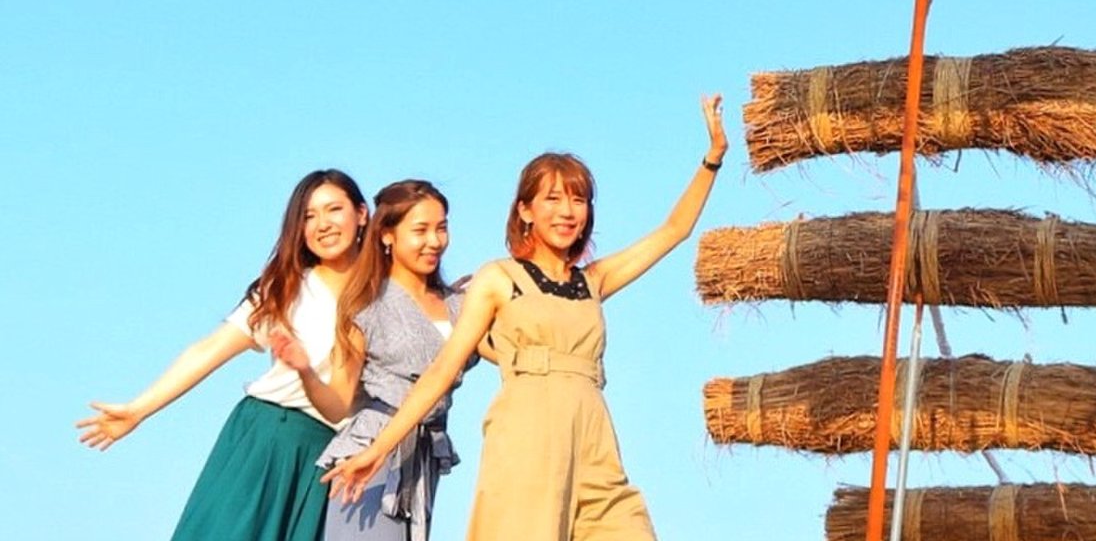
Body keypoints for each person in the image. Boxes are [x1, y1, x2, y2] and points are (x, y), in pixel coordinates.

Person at [324, 98, 727, 541]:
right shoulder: (499, 278)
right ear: (525, 210)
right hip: (528, 434)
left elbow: (673, 231)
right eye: (552, 198)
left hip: (595, 438)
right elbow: (442, 370)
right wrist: (379, 449)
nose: (568, 211)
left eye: (578, 199)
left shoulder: (593, 281)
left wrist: (712, 159)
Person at [78, 169, 369, 541]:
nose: (323, 224)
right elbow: (211, 348)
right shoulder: (288, 286)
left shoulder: (386, 297)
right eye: (309, 216)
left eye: (333, 210)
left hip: (327, 458)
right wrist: (138, 409)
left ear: (361, 214)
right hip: (263, 439)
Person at [274, 179, 479, 540]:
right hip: (368, 461)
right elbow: (338, 404)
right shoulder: (366, 302)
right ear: (386, 234)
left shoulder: (460, 304)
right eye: (420, 230)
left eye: (441, 228)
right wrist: (305, 369)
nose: (434, 241)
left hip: (421, 463)